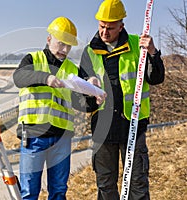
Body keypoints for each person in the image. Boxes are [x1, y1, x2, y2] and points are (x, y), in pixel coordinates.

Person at [76, 0, 165, 199]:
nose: (104, 32)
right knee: (105, 185)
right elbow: (82, 99)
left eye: (110, 27)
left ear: (121, 26)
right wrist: (89, 91)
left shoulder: (137, 44)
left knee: (137, 183)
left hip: (133, 125)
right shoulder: (89, 52)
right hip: (103, 129)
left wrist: (152, 52)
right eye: (101, 26)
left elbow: (156, 78)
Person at [13, 16, 105, 200]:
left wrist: (93, 93)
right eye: (61, 44)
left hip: (61, 137)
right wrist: (45, 78)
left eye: (68, 46)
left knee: (59, 191)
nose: (64, 50)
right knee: (29, 192)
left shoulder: (72, 69)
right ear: (49, 39)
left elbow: (81, 104)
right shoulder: (32, 59)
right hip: (33, 136)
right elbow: (19, 77)